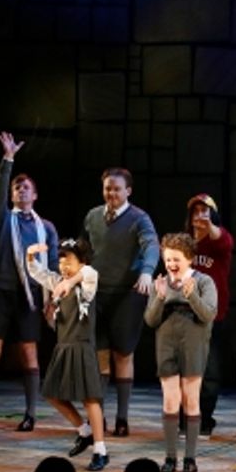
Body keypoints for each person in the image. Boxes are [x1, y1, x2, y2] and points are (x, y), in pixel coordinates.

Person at [0, 131, 58, 432]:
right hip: (0, 290)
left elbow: (52, 266)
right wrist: (7, 161)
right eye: (17, 188)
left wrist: (52, 299)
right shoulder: (3, 220)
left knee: (29, 352)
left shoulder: (45, 227)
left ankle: (31, 412)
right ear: (12, 195)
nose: (21, 191)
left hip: (31, 293)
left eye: (26, 188)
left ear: (35, 196)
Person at [79, 167, 160, 437]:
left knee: (123, 354)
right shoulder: (93, 216)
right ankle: (98, 416)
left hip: (127, 294)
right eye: (107, 188)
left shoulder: (139, 218)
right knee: (99, 353)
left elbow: (151, 245)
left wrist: (147, 271)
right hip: (97, 293)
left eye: (116, 189)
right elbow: (82, 248)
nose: (111, 193)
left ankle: (122, 418)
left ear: (128, 191)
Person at [26, 238, 108, 471]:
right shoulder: (57, 281)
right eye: (61, 262)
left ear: (81, 262)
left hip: (82, 346)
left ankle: (100, 450)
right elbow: (38, 273)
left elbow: (91, 272)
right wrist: (30, 256)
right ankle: (84, 431)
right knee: (51, 393)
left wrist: (71, 281)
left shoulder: (87, 283)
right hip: (63, 346)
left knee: (90, 398)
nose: (63, 267)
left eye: (69, 262)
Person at [144, 233, 218, 472]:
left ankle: (190, 458)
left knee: (191, 400)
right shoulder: (161, 283)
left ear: (189, 259)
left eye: (176, 259)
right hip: (166, 344)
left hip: (193, 344)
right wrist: (159, 297)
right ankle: (170, 457)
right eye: (168, 260)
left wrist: (191, 295)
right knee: (170, 401)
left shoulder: (204, 281)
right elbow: (150, 320)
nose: (171, 264)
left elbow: (208, 315)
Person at [184, 193, 233, 437]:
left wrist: (208, 224)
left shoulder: (221, 238)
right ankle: (186, 418)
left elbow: (220, 238)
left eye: (205, 210)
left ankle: (205, 419)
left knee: (210, 371)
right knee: (185, 369)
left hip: (213, 314)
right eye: (196, 211)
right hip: (184, 314)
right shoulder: (185, 243)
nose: (200, 215)